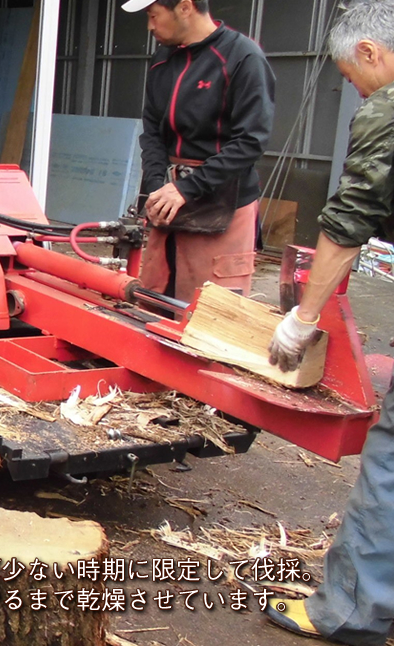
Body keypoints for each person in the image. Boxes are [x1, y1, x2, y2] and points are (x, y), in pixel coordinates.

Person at [265, 1, 394, 644]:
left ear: (370, 51)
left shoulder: (391, 107)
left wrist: (302, 316)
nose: (353, 87)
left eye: (349, 74)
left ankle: (350, 612)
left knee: (391, 461)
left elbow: (349, 220)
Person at [122, 0, 275, 307]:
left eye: (153, 16)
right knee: (153, 301)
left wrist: (187, 187)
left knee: (210, 313)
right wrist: (156, 184)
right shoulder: (162, 60)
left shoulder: (243, 57)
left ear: (185, 7)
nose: (150, 26)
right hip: (169, 197)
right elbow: (152, 131)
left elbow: (251, 140)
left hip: (223, 203)